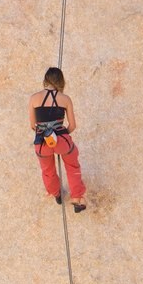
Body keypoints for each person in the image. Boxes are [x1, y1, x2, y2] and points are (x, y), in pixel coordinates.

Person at [29, 67, 86, 212]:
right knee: (72, 166)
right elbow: (72, 125)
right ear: (61, 82)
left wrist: (46, 133)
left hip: (42, 142)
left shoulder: (34, 99)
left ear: (45, 80)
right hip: (62, 141)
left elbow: (33, 126)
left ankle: (57, 193)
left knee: (47, 170)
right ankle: (77, 198)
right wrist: (62, 134)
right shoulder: (65, 99)